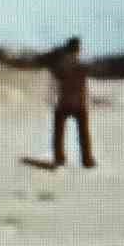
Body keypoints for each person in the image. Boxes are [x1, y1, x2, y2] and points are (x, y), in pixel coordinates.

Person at [44, 37, 95, 170]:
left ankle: (59, 158)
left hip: (64, 103)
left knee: (58, 133)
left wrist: (52, 101)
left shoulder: (60, 65)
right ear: (78, 49)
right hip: (80, 102)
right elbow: (86, 81)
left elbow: (53, 84)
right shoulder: (81, 64)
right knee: (84, 133)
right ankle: (87, 160)